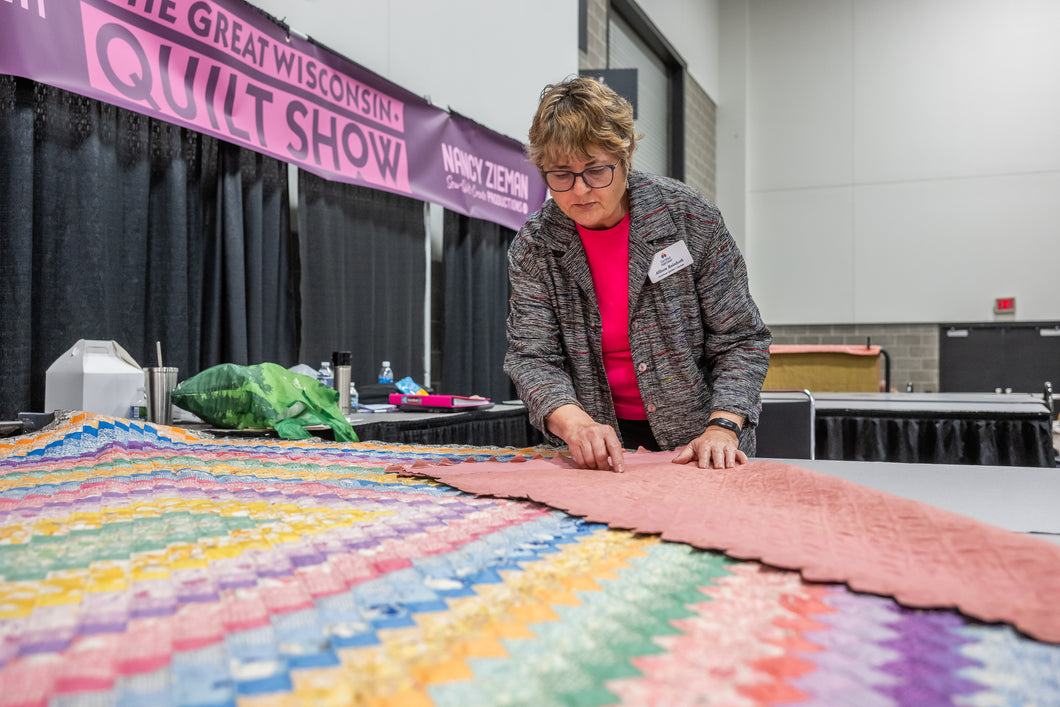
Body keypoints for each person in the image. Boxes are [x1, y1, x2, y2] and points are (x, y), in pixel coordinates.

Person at [503, 76, 772, 472]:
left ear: (624, 156)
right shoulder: (535, 246)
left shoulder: (688, 218)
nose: (579, 191)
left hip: (700, 445)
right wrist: (576, 425)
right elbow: (533, 357)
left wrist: (723, 425)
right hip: (593, 448)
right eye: (560, 174)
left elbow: (741, 339)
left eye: (596, 171)